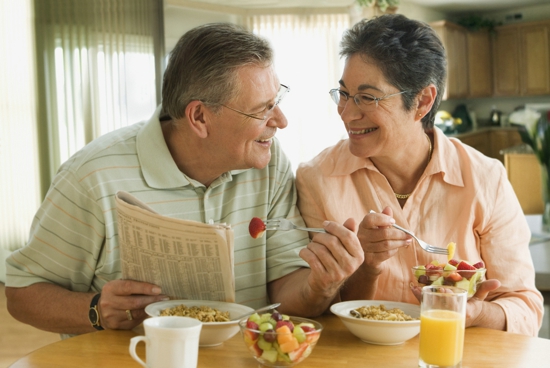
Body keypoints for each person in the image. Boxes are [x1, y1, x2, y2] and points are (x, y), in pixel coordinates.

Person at [5, 23, 363, 338]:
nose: (280, 121)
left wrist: (321, 283)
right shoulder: (93, 177)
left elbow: (286, 291)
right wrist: (96, 309)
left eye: (277, 100)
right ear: (199, 117)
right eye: (262, 109)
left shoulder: (269, 165)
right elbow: (21, 294)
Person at [295, 14, 544, 336]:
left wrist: (475, 312)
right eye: (343, 94)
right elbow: (316, 315)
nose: (347, 113)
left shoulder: (486, 179)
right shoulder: (317, 179)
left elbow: (526, 310)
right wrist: (367, 266)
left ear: (422, 101)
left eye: (367, 98)